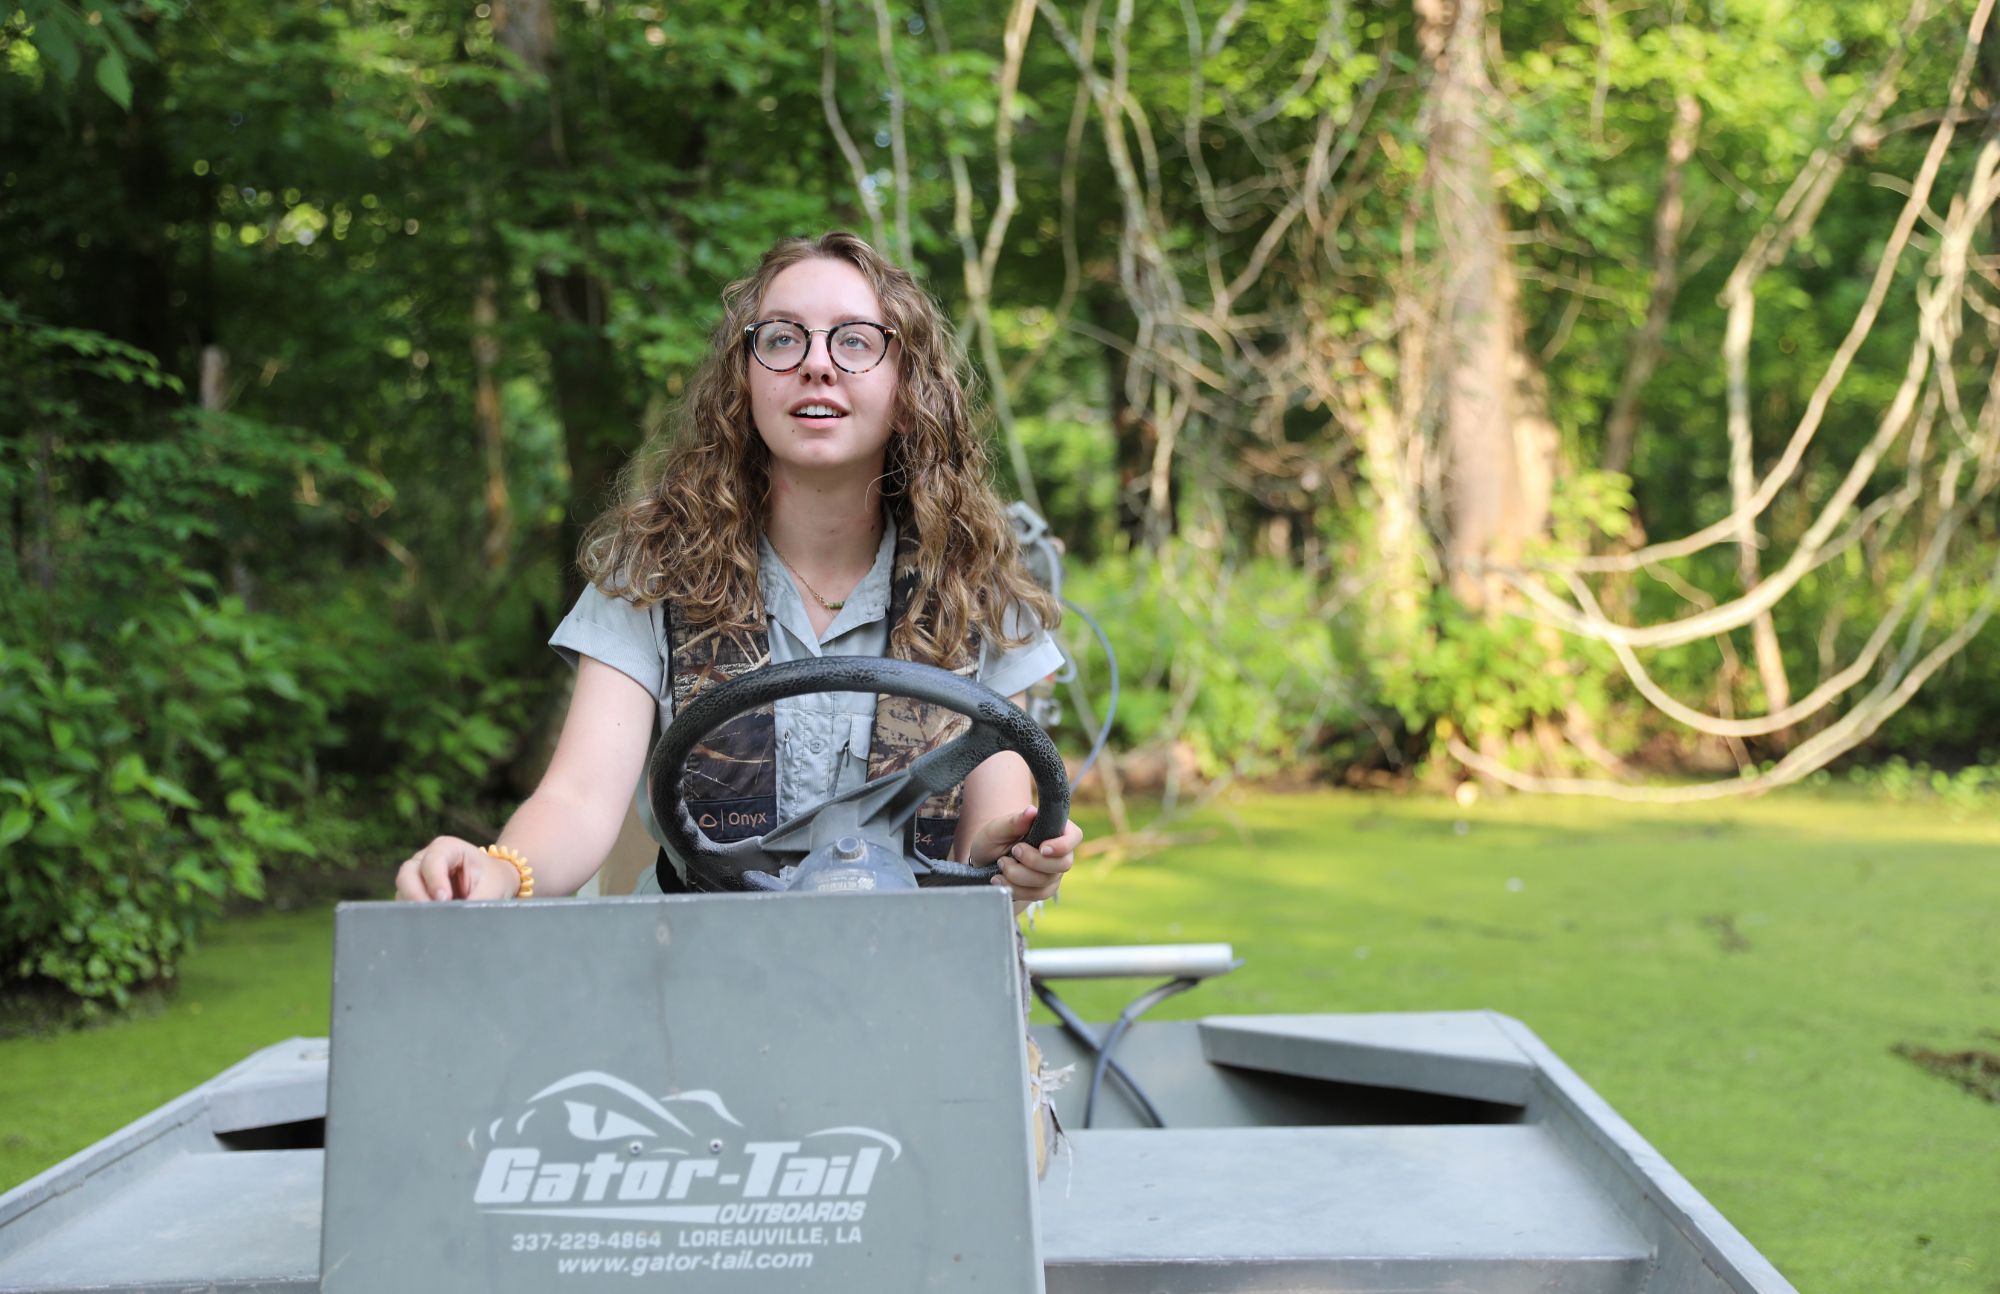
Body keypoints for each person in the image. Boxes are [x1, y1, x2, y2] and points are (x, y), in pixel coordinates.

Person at [394, 230, 1082, 907]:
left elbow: (986, 843)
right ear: (743, 384)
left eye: (855, 341)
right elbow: (576, 800)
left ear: (908, 392)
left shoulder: (974, 583)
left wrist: (1017, 858)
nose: (816, 364)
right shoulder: (654, 569)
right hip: (690, 980)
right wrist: (498, 872)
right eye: (782, 338)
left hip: (913, 982)